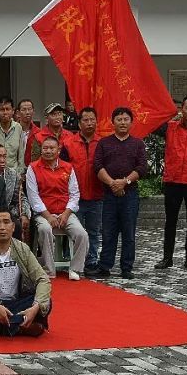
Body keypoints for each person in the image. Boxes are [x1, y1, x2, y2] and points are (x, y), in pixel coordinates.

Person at [0, 209, 52, 337]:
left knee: (46, 301)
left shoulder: (22, 248)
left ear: (13, 227)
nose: (2, 227)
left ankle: (0, 326)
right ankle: (19, 326)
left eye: (6, 222)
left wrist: (35, 307)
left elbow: (43, 279)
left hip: (16, 302)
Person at [92, 107, 147, 279]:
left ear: (131, 122)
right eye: (119, 119)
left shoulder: (138, 143)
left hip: (130, 194)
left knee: (129, 232)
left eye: (126, 119)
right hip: (109, 195)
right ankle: (105, 266)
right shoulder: (104, 143)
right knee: (108, 231)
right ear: (112, 122)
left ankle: (126, 267)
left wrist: (125, 182)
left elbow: (142, 167)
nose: (122, 122)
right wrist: (113, 183)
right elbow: (97, 166)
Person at [26, 136, 89, 280]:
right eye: (45, 148)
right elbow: (33, 196)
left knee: (82, 234)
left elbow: (74, 194)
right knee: (44, 229)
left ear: (58, 150)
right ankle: (49, 269)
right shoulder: (33, 168)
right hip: (43, 213)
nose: (48, 151)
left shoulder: (68, 167)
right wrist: (48, 216)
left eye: (51, 148)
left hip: (65, 212)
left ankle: (75, 268)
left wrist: (66, 214)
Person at [156, 95, 187, 270]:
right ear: (181, 109)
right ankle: (167, 258)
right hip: (173, 182)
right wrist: (167, 112)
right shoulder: (170, 127)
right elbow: (151, 123)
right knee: (170, 221)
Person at [61, 106, 103, 274]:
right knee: (74, 231)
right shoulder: (68, 144)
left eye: (92, 119)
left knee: (94, 231)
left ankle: (92, 260)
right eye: (86, 120)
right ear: (79, 123)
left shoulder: (102, 143)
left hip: (96, 194)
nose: (89, 123)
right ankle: (70, 260)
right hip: (74, 198)